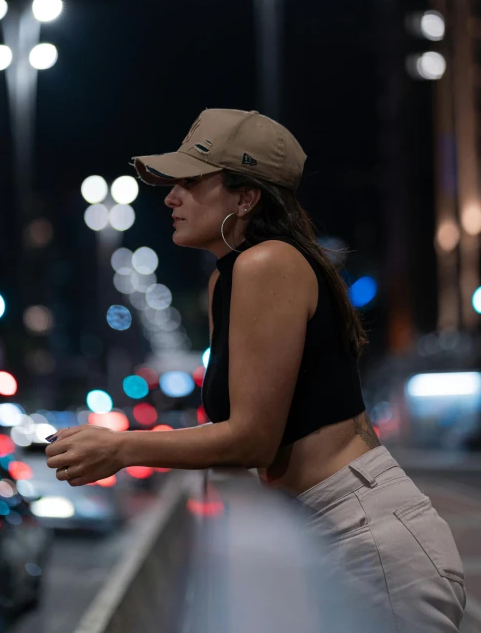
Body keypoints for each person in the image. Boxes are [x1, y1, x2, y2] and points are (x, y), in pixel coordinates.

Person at [45, 108, 466, 631]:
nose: (171, 197)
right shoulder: (230, 279)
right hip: (328, 531)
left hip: (366, 535)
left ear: (246, 198)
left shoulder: (269, 264)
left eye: (191, 182)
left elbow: (252, 440)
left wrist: (122, 447)